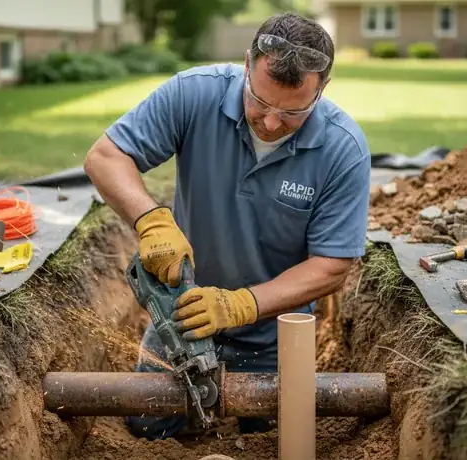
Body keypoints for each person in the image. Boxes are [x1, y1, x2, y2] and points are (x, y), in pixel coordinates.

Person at [83, 12, 371, 439]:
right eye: (260, 101)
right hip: (185, 318)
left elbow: (332, 264)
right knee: (147, 426)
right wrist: (151, 220)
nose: (272, 123)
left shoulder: (343, 150)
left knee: (277, 435)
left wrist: (240, 306)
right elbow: (105, 157)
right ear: (245, 65)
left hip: (276, 333)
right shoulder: (194, 93)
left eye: (293, 112)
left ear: (322, 89)